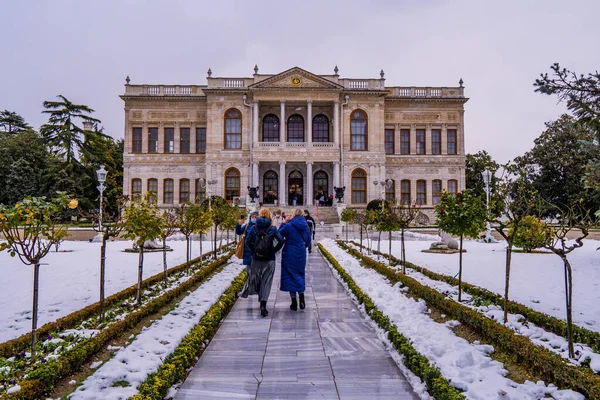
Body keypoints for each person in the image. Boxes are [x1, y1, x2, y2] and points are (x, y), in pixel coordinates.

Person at [245, 208, 284, 317]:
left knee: (257, 279)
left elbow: (247, 241)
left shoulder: (253, 227)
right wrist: (273, 250)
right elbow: (281, 240)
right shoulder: (272, 228)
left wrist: (254, 251)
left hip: (256, 258)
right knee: (267, 281)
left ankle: (259, 297)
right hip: (269, 259)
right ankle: (263, 304)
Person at [279, 209, 311, 311]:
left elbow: (278, 234)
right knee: (299, 273)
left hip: (289, 251)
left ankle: (294, 302)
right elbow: (308, 241)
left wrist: (284, 223)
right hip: (301, 251)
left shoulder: (289, 225)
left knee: (289, 275)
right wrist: (301, 245)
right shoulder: (305, 226)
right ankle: (301, 296)